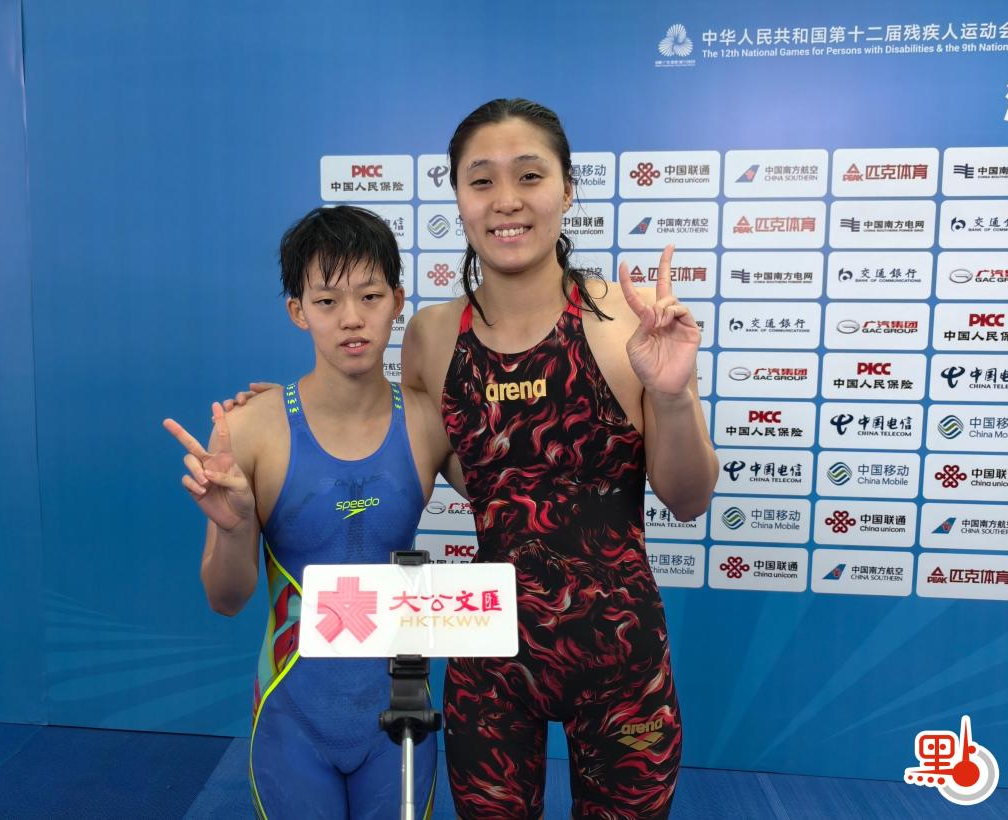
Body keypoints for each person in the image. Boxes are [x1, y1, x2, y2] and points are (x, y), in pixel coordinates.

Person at [401, 98, 719, 819]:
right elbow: (407, 462)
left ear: (568, 189)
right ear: (458, 196)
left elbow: (689, 498)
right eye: (481, 180)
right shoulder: (431, 336)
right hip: (489, 661)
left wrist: (672, 396)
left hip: (621, 658)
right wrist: (286, 414)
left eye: (530, 175)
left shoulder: (626, 324)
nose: (506, 200)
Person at [164, 205, 455, 820]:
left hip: (401, 710)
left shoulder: (430, 421)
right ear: (298, 311)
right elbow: (225, 599)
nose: (351, 318)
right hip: (291, 715)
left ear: (397, 301)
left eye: (370, 296)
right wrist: (234, 527)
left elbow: (523, 501)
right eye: (327, 301)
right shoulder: (252, 430)